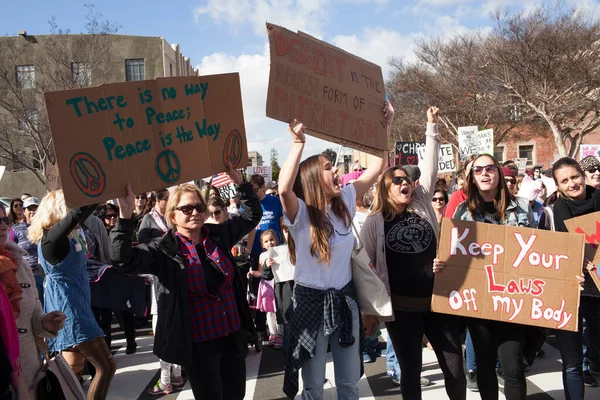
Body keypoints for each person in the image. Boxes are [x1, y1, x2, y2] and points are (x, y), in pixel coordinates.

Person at [110, 164, 261, 400]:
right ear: (172, 216)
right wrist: (125, 216)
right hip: (199, 342)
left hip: (232, 334)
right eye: (187, 208)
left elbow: (252, 215)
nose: (195, 212)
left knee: (236, 396)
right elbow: (122, 259)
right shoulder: (164, 249)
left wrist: (241, 182)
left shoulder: (217, 235)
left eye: (199, 207)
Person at [280, 100, 394, 399]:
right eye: (328, 168)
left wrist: (384, 126)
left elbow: (378, 167)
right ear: (314, 178)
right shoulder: (301, 213)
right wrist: (297, 143)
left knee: (348, 382)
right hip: (310, 302)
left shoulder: (344, 199)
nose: (336, 172)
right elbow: (282, 190)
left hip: (345, 300)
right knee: (314, 385)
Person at [361, 107, 465, 400]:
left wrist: (431, 127)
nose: (404, 182)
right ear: (385, 188)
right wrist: (369, 312)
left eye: (407, 179)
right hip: (402, 310)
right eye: (397, 180)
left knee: (454, 367)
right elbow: (368, 269)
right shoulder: (375, 222)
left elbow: (429, 167)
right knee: (411, 371)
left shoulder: (421, 203)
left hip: (437, 304)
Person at [443, 153, 534, 400]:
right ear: (472, 178)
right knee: (484, 364)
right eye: (478, 170)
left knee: (513, 367)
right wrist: (442, 265)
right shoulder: (462, 210)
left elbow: (539, 253)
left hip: (513, 298)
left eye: (490, 168)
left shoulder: (524, 208)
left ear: (499, 174)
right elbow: (453, 253)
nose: (484, 173)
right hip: (479, 301)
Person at [28, 190, 116, 399]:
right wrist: (94, 190)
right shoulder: (51, 240)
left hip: (78, 305)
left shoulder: (64, 237)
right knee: (105, 367)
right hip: (70, 310)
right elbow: (78, 213)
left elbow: (81, 215)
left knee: (71, 375)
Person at [542, 157, 600, 399]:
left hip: (597, 295)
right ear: (558, 186)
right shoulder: (552, 215)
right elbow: (545, 257)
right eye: (564, 181)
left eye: (574, 177)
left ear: (583, 176)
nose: (571, 184)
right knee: (573, 363)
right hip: (568, 296)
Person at [0, 203, 66, 399]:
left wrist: (45, 321)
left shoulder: (19, 263)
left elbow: (33, 314)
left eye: (4, 220)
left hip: (29, 374)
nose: (3, 226)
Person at [260, 221, 294, 351]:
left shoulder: (291, 248)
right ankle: (289, 359)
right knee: (288, 329)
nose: (270, 243)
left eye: (272, 240)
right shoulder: (271, 254)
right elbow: (266, 276)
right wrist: (267, 266)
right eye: (286, 231)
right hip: (284, 296)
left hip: (299, 293)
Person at [249, 230, 278, 347]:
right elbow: (260, 272)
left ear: (276, 240)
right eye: (266, 241)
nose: (269, 243)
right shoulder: (262, 255)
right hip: (267, 285)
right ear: (262, 245)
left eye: (271, 240)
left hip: (279, 284)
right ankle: (273, 334)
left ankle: (281, 333)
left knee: (279, 310)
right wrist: (252, 273)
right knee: (269, 311)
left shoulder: (281, 252)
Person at [11, 197, 43, 300]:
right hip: (26, 277)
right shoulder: (16, 230)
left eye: (35, 208)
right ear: (24, 211)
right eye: (30, 209)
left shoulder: (45, 228)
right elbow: (10, 253)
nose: (33, 211)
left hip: (44, 276)